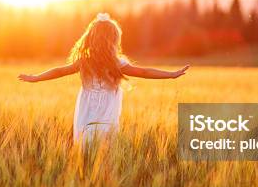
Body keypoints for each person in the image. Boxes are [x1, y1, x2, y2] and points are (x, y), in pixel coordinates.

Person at [18, 12, 189, 142]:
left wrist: (36, 78)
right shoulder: (117, 63)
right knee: (105, 145)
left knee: (85, 143)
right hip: (108, 113)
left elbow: (60, 71)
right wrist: (171, 75)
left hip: (86, 111)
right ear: (114, 40)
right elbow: (144, 72)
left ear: (91, 38)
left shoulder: (84, 61)